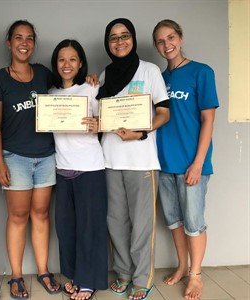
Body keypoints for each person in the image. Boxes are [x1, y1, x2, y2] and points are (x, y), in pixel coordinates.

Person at [97, 18, 170, 300]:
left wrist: (140, 132)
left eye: (124, 35)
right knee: (115, 222)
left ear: (133, 38)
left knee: (141, 225)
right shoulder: (104, 75)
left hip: (141, 161)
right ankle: (123, 274)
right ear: (108, 43)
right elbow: (99, 114)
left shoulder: (149, 71)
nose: (119, 41)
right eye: (113, 37)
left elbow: (164, 113)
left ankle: (142, 279)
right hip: (110, 160)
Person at [0, 20, 61, 299]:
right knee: (18, 216)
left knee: (41, 215)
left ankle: (43, 270)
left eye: (30, 38)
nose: (24, 43)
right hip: (14, 157)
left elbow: (69, 88)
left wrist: (90, 78)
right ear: (9, 43)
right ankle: (17, 276)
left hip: (46, 156)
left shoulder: (43, 73)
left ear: (34, 44)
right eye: (18, 37)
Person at [152, 19, 219, 300]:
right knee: (174, 222)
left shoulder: (201, 72)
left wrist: (198, 162)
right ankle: (182, 266)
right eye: (160, 41)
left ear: (180, 37)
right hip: (164, 163)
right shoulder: (159, 78)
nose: (166, 45)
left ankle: (196, 275)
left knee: (193, 222)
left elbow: (208, 119)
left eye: (171, 38)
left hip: (193, 163)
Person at [49, 39, 108, 300]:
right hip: (62, 169)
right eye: (62, 59)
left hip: (90, 168)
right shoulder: (50, 95)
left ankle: (89, 281)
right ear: (56, 63)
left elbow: (109, 121)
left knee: (90, 228)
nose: (67, 64)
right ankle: (75, 275)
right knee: (66, 228)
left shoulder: (92, 89)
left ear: (81, 62)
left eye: (73, 59)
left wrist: (100, 124)